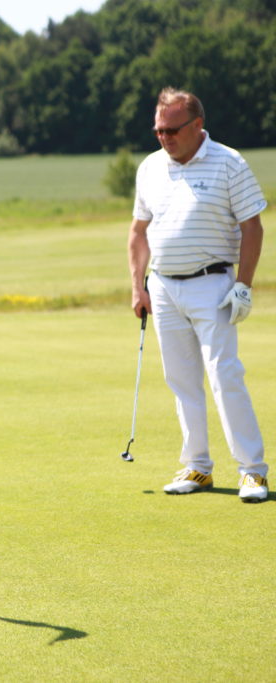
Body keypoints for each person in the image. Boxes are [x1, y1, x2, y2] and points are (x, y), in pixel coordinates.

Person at [128, 87, 269, 503]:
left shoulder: (229, 162)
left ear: (197, 125)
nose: (164, 138)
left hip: (214, 284)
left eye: (172, 130)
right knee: (181, 380)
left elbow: (252, 226)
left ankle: (253, 471)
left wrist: (243, 284)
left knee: (225, 376)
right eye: (158, 131)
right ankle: (198, 466)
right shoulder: (151, 168)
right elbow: (138, 232)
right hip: (164, 286)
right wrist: (138, 285)